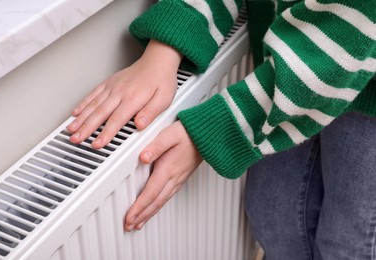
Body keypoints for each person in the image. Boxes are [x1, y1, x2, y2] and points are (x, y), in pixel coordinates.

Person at [67, 0, 376, 258]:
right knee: (273, 216)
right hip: (291, 60)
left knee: (349, 241)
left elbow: (348, 31)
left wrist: (217, 130)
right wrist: (165, 48)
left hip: (359, 65)